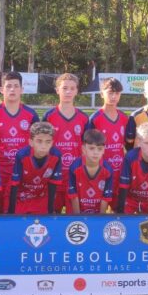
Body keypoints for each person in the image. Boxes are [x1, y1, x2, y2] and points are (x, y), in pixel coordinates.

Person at [0, 71, 40, 214]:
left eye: (16, 86)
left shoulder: (31, 114)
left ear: (22, 89)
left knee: (18, 209)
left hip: (23, 169)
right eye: (8, 86)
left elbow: (37, 142)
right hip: (0, 169)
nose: (12, 89)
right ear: (2, 89)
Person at [43, 73, 90, 212]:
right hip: (54, 174)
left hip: (75, 175)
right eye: (64, 88)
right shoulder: (49, 116)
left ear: (77, 91)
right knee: (52, 214)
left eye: (72, 88)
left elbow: (86, 148)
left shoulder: (83, 118)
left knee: (74, 216)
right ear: (57, 90)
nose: (68, 91)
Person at [87, 77, 127, 211]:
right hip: (101, 172)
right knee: (98, 211)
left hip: (120, 171)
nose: (114, 96)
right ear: (101, 94)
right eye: (110, 93)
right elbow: (88, 147)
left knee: (119, 210)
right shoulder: (95, 118)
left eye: (117, 93)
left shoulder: (124, 118)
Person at [8, 122, 62, 214]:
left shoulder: (56, 156)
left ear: (52, 142)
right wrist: (11, 213)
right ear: (31, 142)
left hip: (41, 197)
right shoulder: (22, 156)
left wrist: (50, 211)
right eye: (39, 141)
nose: (43, 146)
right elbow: (15, 184)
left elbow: (53, 184)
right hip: (21, 196)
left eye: (48, 142)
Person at [68, 130, 114, 214]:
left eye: (99, 149)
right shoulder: (74, 167)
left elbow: (105, 198)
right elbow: (73, 196)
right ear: (83, 149)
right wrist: (78, 218)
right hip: (78, 212)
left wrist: (100, 220)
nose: (96, 152)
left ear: (104, 150)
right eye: (91, 148)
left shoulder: (108, 170)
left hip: (97, 214)